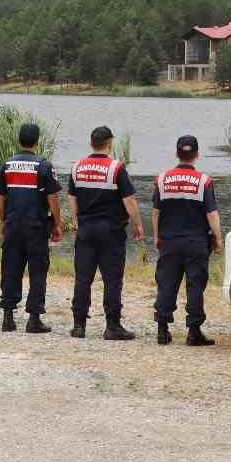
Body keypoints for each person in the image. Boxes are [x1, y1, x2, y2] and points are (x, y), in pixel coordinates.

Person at [66, 125, 143, 340]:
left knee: (83, 278)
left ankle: (79, 325)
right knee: (112, 279)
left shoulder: (77, 167)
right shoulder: (116, 168)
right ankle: (113, 326)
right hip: (111, 230)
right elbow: (129, 200)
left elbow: (72, 198)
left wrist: (76, 220)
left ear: (91, 143)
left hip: (86, 229)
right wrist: (137, 224)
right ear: (109, 143)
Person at [150, 135, 224, 346]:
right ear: (197, 155)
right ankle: (193, 332)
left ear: (177, 154)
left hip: (169, 241)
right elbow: (212, 214)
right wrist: (218, 239)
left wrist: (156, 236)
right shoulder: (204, 181)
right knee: (195, 286)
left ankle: (162, 330)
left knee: (166, 284)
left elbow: (156, 212)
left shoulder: (162, 179)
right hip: (196, 243)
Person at [0, 121, 62, 334]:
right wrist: (57, 224)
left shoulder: (7, 165)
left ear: (19, 140)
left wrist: (2, 220)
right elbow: (52, 197)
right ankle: (34, 318)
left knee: (11, 269)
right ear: (37, 141)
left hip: (13, 224)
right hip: (36, 226)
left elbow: (0, 197)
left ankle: (8, 317)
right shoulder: (44, 165)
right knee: (38, 270)